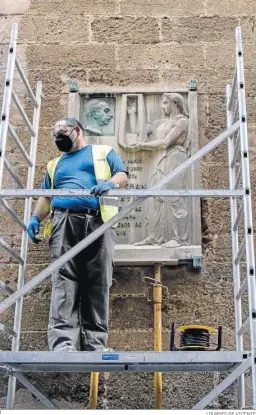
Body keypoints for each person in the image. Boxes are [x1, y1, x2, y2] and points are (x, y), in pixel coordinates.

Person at [27, 117, 128, 352]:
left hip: (98, 221)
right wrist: (35, 218)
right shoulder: (55, 164)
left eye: (65, 136)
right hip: (64, 221)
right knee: (64, 282)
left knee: (98, 282)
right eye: (58, 139)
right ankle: (63, 345)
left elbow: (121, 174)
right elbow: (46, 196)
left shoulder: (104, 152)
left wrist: (111, 184)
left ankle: (95, 345)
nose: (61, 142)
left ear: (78, 131)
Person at [128, 93, 190, 247]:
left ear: (175, 103)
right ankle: (154, 237)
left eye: (165, 103)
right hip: (161, 159)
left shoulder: (182, 121)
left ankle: (180, 239)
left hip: (175, 158)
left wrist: (142, 146)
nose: (162, 106)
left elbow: (165, 143)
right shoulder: (164, 122)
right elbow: (141, 131)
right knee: (155, 197)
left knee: (176, 198)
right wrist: (132, 114)